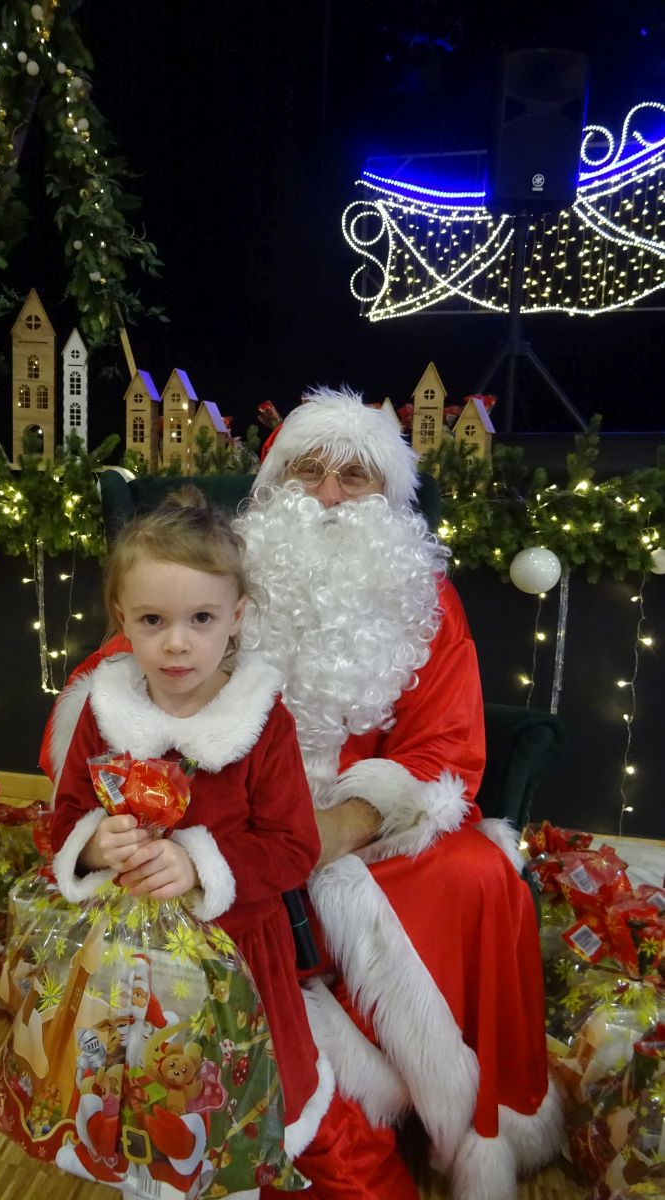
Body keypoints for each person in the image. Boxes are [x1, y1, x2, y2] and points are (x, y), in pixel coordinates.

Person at [234, 386, 563, 1200]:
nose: (330, 494)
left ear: (388, 497)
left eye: (355, 476)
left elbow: (447, 742)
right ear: (275, 484)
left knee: (479, 876)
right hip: (238, 821)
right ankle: (336, 1104)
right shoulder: (221, 573)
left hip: (372, 831)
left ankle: (462, 1115)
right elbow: (132, 671)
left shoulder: (425, 595)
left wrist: (342, 824)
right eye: (309, 471)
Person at [49, 488, 402, 1199]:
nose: (177, 643)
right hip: (128, 964)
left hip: (236, 962)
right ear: (121, 616)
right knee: (140, 1108)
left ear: (237, 616)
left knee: (227, 1114)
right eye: (153, 620)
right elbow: (65, 822)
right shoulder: (104, 710)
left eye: (201, 619)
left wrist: (200, 862)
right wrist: (93, 844)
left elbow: (292, 847)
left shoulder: (262, 721)